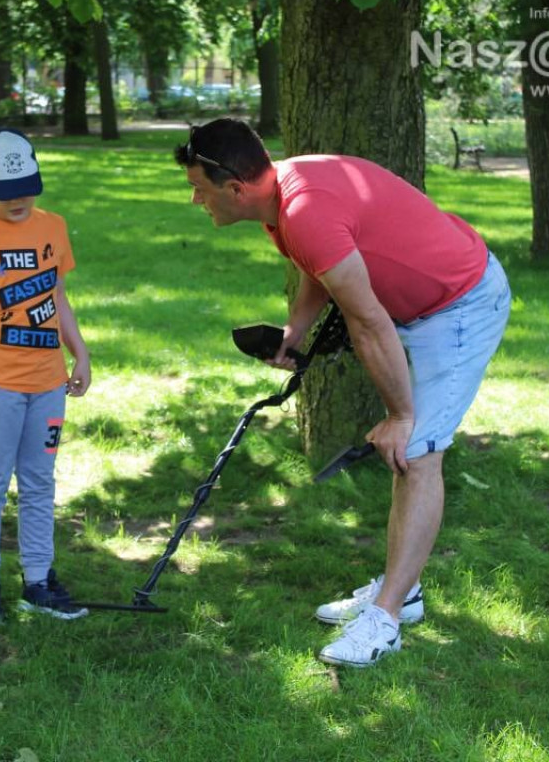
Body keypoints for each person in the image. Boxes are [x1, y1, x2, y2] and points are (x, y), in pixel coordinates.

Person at [174, 118, 510, 667]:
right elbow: (322, 266)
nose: (195, 199)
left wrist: (402, 415)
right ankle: (405, 590)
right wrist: (295, 332)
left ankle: (387, 618)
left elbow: (368, 321)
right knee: (412, 454)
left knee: (418, 453)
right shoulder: (283, 199)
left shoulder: (304, 210)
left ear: (235, 188)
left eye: (200, 189)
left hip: (460, 307)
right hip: (427, 307)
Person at [0, 128, 92, 627]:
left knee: (39, 482)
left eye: (27, 187)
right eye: (7, 192)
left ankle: (38, 581)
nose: (20, 200)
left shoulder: (54, 227)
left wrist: (79, 351)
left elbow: (57, 294)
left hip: (47, 383)